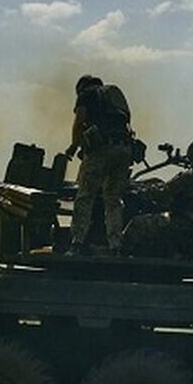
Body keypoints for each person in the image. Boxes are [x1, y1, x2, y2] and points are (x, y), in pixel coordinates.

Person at [122, 139, 193, 260]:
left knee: (137, 224)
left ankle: (118, 255)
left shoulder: (190, 176)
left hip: (184, 224)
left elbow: (164, 193)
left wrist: (141, 192)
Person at [66, 75, 134, 255]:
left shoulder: (86, 95)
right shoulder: (114, 95)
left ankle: (77, 243)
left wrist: (73, 146)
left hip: (102, 149)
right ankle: (115, 245)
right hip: (125, 149)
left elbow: (79, 122)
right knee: (113, 199)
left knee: (85, 195)